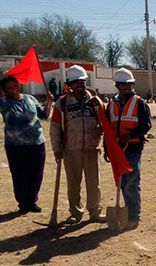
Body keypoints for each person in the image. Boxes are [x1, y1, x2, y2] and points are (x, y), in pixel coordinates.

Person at [50, 65, 105, 224]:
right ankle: (76, 212)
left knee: (94, 182)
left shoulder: (95, 101)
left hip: (92, 148)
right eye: (76, 83)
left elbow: (105, 123)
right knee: (73, 183)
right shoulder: (62, 103)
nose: (80, 86)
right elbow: (54, 128)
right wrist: (56, 149)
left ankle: (94, 211)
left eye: (82, 83)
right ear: (69, 85)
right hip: (71, 149)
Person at [104, 68, 152, 230]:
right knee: (122, 183)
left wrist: (129, 136)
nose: (126, 88)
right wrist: (106, 148)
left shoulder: (139, 103)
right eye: (122, 85)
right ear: (117, 85)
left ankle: (133, 215)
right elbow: (108, 129)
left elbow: (146, 125)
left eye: (129, 85)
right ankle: (125, 211)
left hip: (133, 149)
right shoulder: (111, 104)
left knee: (131, 182)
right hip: (116, 150)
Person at [0, 75, 53, 214]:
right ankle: (23, 203)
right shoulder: (4, 103)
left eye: (15, 86)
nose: (13, 90)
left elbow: (44, 116)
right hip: (15, 147)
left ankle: (32, 201)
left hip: (37, 143)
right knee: (19, 175)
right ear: (4, 90)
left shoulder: (30, 98)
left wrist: (49, 102)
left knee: (36, 174)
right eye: (9, 88)